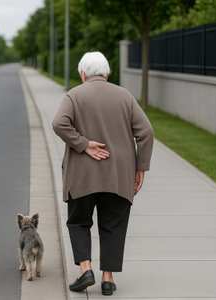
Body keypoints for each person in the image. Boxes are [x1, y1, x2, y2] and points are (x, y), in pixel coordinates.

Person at [52, 52, 154, 296]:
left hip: (82, 177)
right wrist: (140, 167)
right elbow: (147, 132)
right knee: (114, 224)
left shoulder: (74, 95)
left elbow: (59, 123)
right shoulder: (125, 96)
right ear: (107, 74)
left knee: (78, 222)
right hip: (118, 176)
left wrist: (83, 144)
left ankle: (85, 269)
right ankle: (107, 279)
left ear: (82, 74)